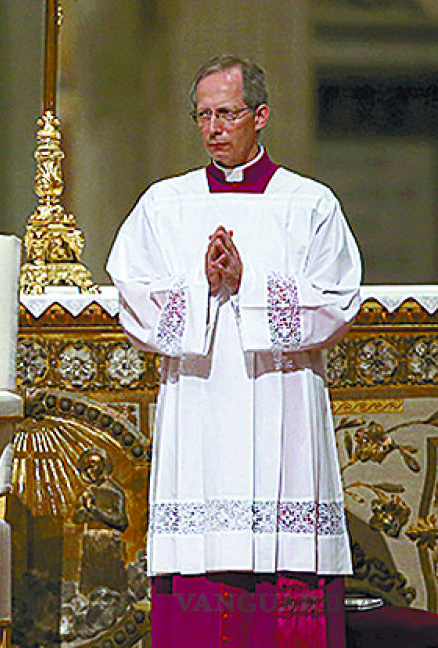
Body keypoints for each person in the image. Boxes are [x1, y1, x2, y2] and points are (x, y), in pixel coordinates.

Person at [106, 55, 362, 646]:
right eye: (203, 115)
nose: (214, 127)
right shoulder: (165, 204)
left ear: (260, 115)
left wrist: (250, 286)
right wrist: (201, 285)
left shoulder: (309, 204)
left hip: (282, 400)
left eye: (226, 113)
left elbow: (338, 299)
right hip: (198, 397)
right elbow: (132, 294)